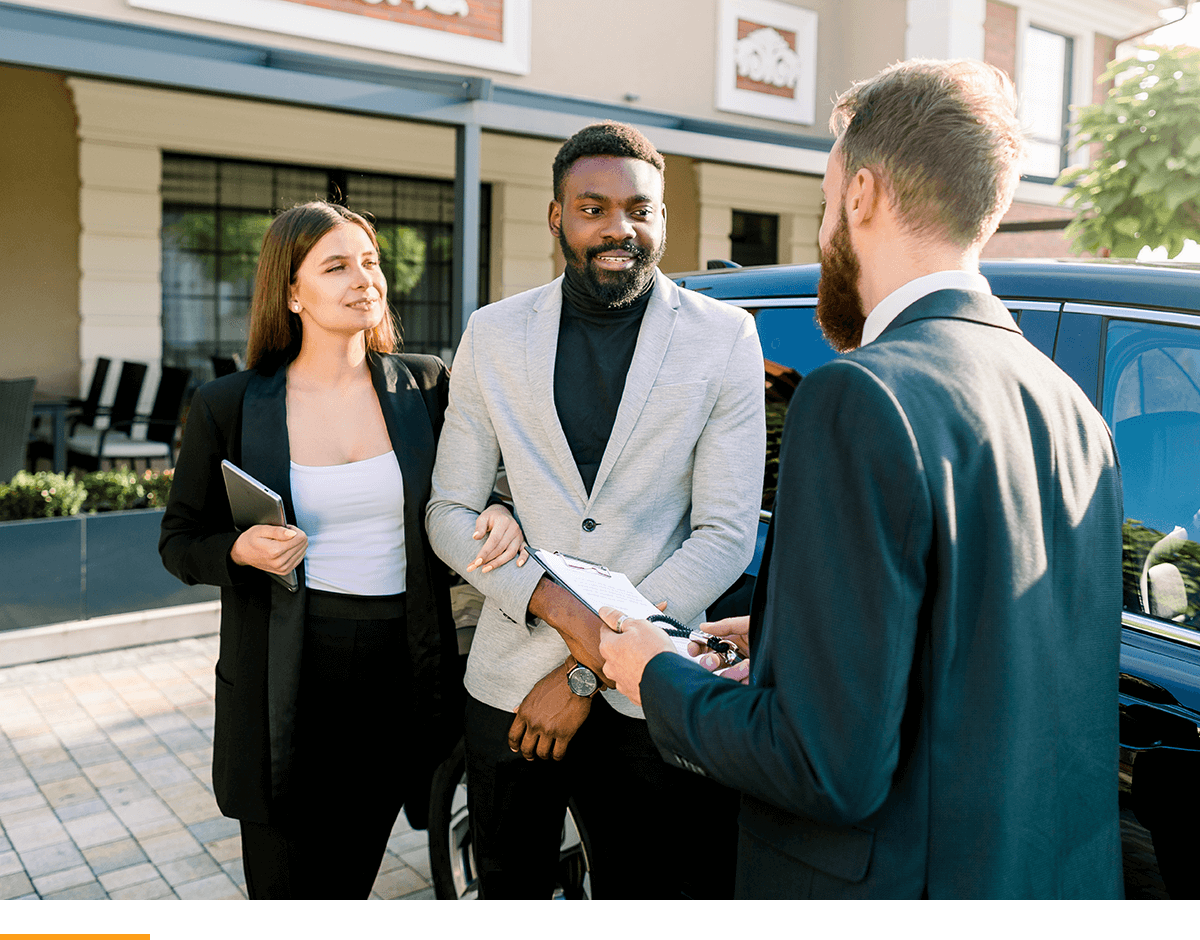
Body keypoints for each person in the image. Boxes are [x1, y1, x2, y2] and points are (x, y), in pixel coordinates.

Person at [598, 60, 1125, 899]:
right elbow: (983, 666)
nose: (821, 236)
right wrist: (779, 644)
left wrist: (652, 672)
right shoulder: (1076, 412)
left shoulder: (859, 394)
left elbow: (822, 766)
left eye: (822, 205)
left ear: (864, 195)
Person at [425, 121, 765, 899]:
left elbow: (723, 534)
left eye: (640, 209)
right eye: (593, 208)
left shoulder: (724, 338)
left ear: (663, 218)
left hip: (652, 697)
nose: (620, 228)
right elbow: (448, 511)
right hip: (509, 683)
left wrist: (587, 668)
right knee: (507, 886)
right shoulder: (493, 333)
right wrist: (558, 610)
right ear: (556, 217)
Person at [159, 201, 525, 900]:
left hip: (400, 667)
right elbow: (179, 541)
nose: (365, 280)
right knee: (284, 883)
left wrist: (499, 511)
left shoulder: (424, 385)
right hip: (284, 670)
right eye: (337, 266)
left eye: (370, 262)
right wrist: (240, 550)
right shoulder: (228, 404)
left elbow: (472, 490)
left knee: (352, 875)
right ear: (291, 292)